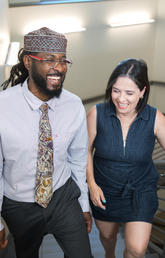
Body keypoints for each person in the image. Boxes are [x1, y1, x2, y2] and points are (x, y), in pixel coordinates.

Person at [0, 27, 93, 258]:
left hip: (63, 197)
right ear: (28, 62)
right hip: (19, 205)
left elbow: (78, 159)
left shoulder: (73, 105)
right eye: (49, 60)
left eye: (63, 60)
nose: (59, 67)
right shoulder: (3, 107)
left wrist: (83, 203)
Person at [86, 58, 165, 258]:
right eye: (116, 90)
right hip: (104, 190)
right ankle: (109, 254)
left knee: (136, 250)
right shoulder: (97, 113)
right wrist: (92, 184)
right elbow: (84, 151)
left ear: (142, 91)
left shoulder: (155, 118)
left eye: (129, 93)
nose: (121, 99)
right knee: (108, 238)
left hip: (140, 191)